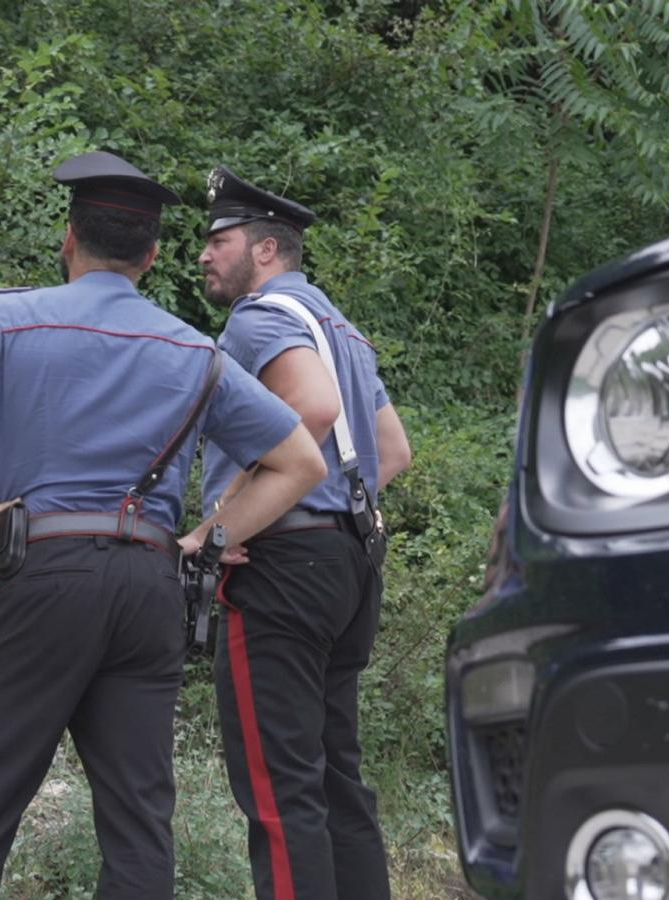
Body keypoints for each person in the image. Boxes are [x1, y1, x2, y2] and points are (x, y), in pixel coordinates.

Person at [0, 151, 327, 900]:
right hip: (149, 589)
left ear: (69, 239)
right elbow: (301, 462)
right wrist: (204, 541)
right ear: (151, 258)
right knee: (139, 823)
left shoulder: (8, 320)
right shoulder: (198, 352)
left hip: (43, 578)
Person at [190, 165, 413, 900]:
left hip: (281, 570)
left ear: (264, 250)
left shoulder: (259, 318)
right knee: (337, 778)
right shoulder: (339, 327)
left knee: (281, 791)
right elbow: (392, 451)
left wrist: (223, 523)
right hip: (350, 564)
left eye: (219, 240)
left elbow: (313, 410)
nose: (204, 253)